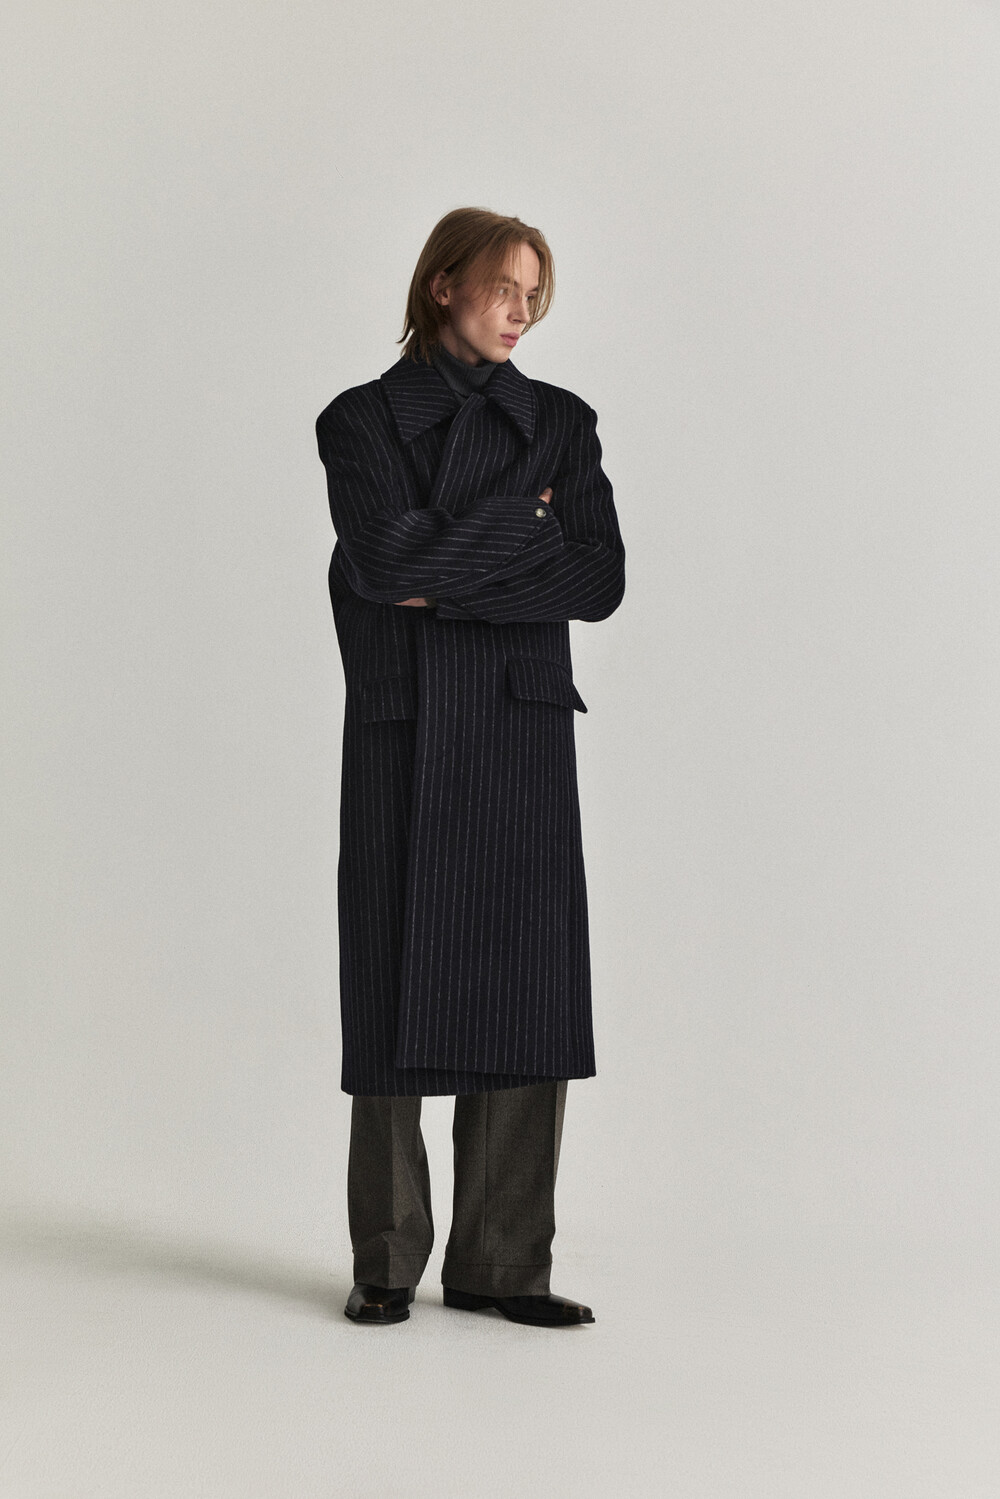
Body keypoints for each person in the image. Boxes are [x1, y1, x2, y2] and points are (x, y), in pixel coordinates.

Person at [315, 207, 625, 1327]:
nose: (521, 310)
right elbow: (376, 556)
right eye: (504, 286)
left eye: (534, 294)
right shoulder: (359, 420)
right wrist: (518, 530)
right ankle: (386, 1260)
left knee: (527, 989)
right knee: (391, 980)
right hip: (405, 728)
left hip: (521, 731)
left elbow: (597, 577)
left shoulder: (562, 422)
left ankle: (503, 1265)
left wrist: (439, 576)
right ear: (444, 283)